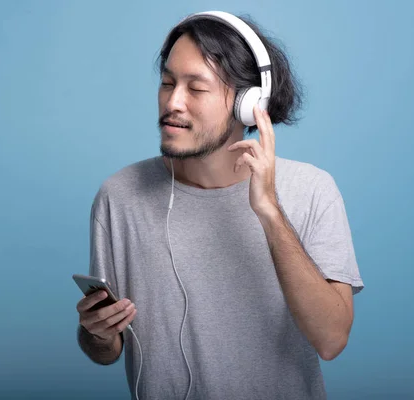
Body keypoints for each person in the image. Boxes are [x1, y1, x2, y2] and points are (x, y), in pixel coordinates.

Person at [75, 11, 364, 400]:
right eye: (167, 83)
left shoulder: (312, 190)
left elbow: (331, 340)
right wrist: (96, 332)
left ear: (249, 104)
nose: (173, 102)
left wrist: (270, 212)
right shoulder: (120, 196)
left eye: (196, 88)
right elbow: (106, 352)